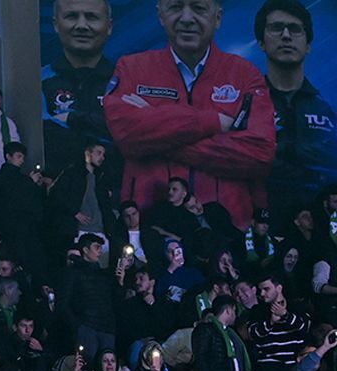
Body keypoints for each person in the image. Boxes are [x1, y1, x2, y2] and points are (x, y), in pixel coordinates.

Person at [102, 0, 276, 229]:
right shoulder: (131, 68)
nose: (186, 18)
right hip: (149, 230)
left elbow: (260, 154)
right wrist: (211, 121)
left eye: (199, 8)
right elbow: (124, 134)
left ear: (218, 18)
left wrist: (156, 134)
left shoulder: (245, 75)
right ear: (160, 15)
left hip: (227, 231)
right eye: (175, 7)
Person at [257, 0, 337, 216]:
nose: (285, 35)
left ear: (308, 44)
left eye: (295, 29)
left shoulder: (329, 107)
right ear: (261, 42)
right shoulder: (246, 103)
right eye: (276, 28)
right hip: (264, 220)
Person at [41, 0, 117, 179]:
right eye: (71, 16)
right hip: (59, 194)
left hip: (114, 193)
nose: (82, 25)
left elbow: (129, 133)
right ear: (56, 25)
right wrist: (100, 130)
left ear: (109, 26)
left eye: (92, 17)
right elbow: (44, 133)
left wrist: (71, 118)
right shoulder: (39, 80)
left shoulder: (125, 80)